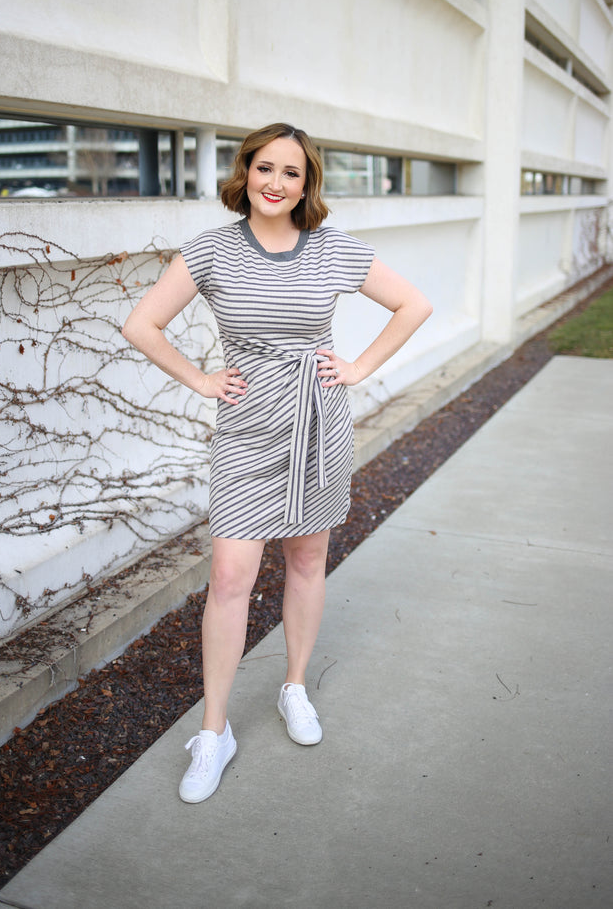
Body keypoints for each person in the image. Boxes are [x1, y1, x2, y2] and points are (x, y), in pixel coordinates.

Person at [122, 122, 432, 803]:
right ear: (245, 172)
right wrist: (202, 380)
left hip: (316, 424)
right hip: (245, 430)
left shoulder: (330, 250)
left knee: (306, 559)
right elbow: (141, 325)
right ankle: (214, 731)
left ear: (306, 184)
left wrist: (357, 367)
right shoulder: (209, 250)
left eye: (291, 173)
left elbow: (415, 304)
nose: (275, 183)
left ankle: (294, 688)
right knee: (231, 574)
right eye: (265, 168)